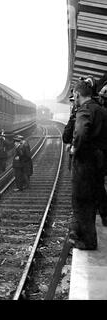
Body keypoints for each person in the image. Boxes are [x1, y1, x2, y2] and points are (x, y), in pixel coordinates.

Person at [69, 79, 107, 250]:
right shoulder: (101, 110)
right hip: (99, 162)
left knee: (82, 202)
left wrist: (75, 150)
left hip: (85, 163)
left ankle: (87, 241)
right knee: (93, 198)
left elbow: (82, 132)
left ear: (77, 94)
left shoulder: (85, 110)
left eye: (74, 96)